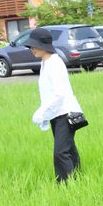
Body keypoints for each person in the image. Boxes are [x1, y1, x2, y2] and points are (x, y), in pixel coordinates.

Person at [24, 28, 83, 183]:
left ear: (43, 46)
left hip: (66, 113)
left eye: (34, 46)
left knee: (61, 152)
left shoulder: (54, 63)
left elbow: (59, 93)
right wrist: (46, 113)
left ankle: (67, 185)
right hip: (56, 114)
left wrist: (42, 112)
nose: (32, 50)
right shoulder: (46, 62)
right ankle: (78, 180)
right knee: (69, 149)